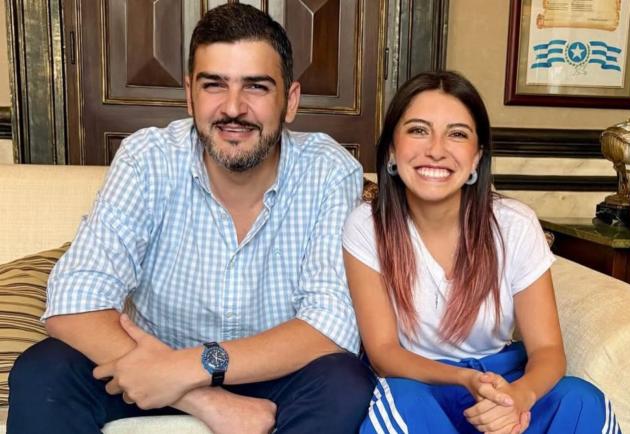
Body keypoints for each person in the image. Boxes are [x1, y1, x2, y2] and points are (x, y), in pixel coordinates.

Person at [8, 4, 375, 434]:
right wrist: (203, 398)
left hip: (273, 373)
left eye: (256, 87)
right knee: (44, 370)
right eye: (214, 85)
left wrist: (193, 367)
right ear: (189, 95)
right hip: (148, 366)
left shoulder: (329, 171)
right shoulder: (148, 158)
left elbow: (330, 327)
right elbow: (73, 304)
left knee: (344, 383)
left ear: (290, 101)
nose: (233, 108)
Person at [342, 71, 621, 434]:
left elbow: (548, 349)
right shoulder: (367, 226)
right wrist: (464, 379)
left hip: (502, 383)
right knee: (402, 403)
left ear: (477, 158)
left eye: (457, 134)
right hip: (421, 384)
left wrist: (519, 397)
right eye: (418, 130)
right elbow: (383, 353)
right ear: (393, 150)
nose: (436, 150)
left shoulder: (514, 224)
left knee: (581, 399)